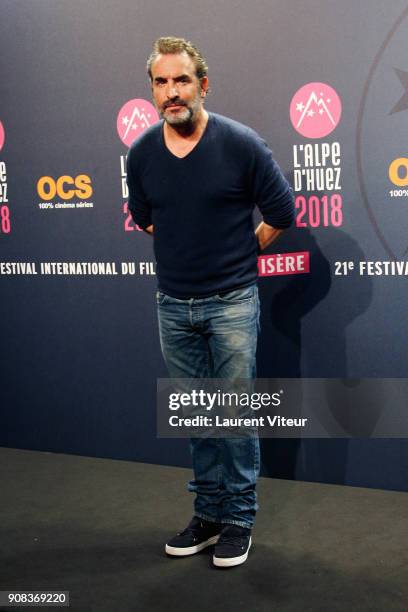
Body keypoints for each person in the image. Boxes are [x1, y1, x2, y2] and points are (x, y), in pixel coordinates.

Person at [127, 36, 294, 568]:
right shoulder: (142, 153)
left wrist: (242, 253)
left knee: (234, 416)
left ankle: (239, 520)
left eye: (181, 80)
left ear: (203, 84)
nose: (171, 92)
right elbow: (147, 217)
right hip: (173, 306)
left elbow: (282, 212)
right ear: (152, 90)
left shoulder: (241, 143)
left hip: (231, 304)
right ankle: (208, 512)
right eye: (161, 82)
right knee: (197, 416)